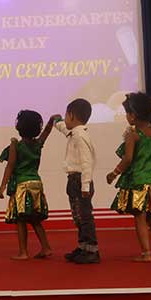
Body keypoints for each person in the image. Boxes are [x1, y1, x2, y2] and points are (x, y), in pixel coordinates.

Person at [106, 93, 151, 262]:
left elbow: (128, 159)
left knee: (139, 217)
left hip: (137, 181)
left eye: (126, 113)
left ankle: (146, 253)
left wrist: (114, 173)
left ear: (133, 115)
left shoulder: (133, 135)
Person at [0, 110, 54, 260]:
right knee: (35, 219)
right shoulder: (38, 144)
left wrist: (2, 186)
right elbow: (47, 132)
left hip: (22, 186)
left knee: (21, 219)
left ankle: (23, 252)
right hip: (36, 183)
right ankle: (46, 247)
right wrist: (51, 121)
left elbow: (10, 166)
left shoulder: (16, 145)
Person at [54, 98, 100, 264]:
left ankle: (92, 250)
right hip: (74, 180)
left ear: (72, 115)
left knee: (85, 216)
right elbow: (64, 129)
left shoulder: (80, 136)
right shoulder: (75, 132)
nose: (65, 118)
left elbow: (87, 162)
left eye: (66, 115)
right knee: (78, 216)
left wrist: (85, 185)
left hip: (80, 181)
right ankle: (82, 247)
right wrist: (57, 122)